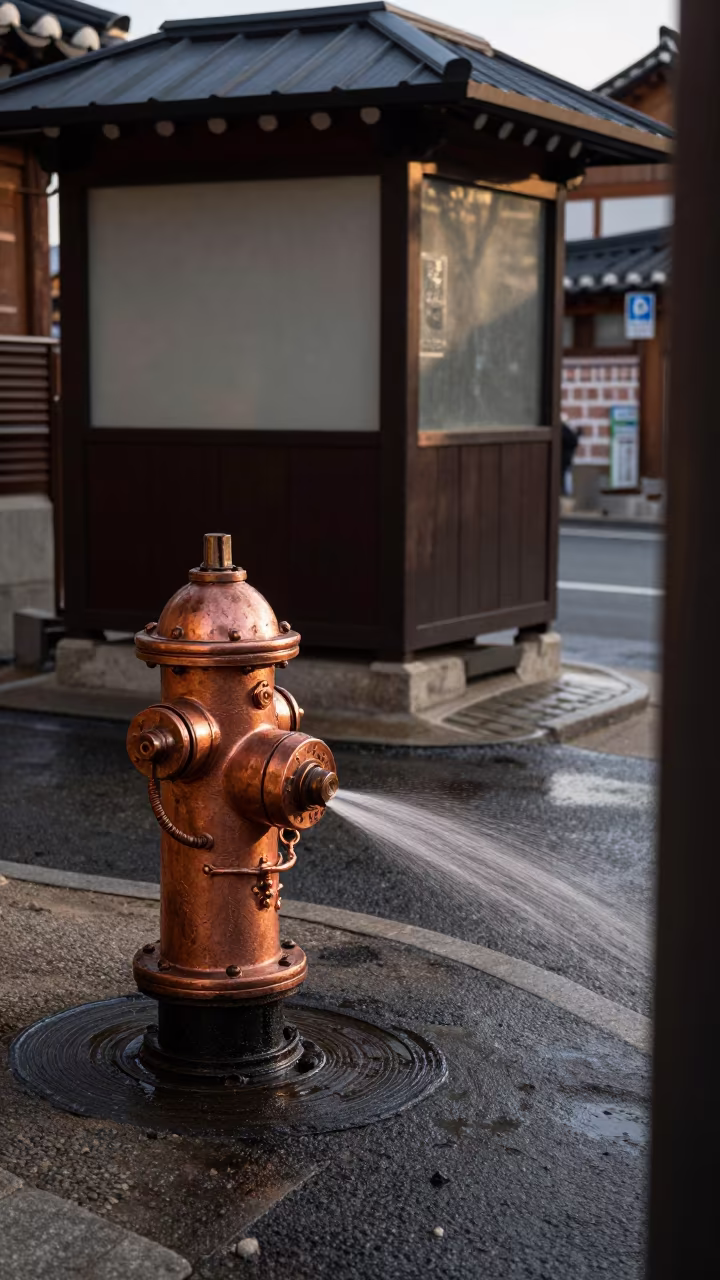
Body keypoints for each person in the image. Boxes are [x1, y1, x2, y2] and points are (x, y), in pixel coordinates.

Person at [561, 421, 581, 496]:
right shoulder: (566, 430)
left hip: (564, 461)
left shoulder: (564, 430)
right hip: (565, 460)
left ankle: (566, 494)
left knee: (566, 477)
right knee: (566, 478)